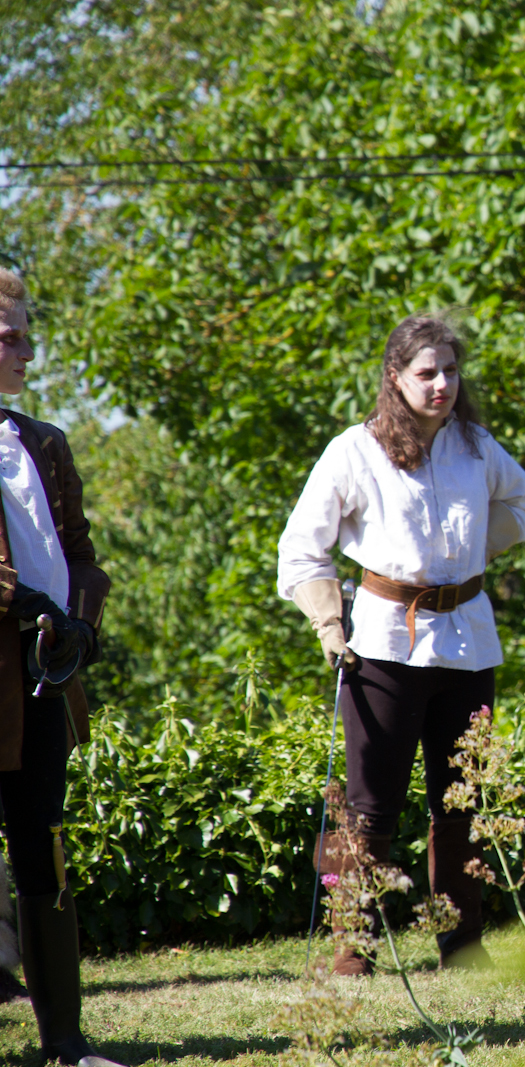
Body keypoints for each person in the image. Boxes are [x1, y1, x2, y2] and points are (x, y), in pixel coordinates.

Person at [277, 315, 525, 974]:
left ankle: (463, 945)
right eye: (427, 372)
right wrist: (328, 622)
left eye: (450, 370)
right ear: (395, 377)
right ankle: (353, 947)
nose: (442, 383)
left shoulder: (477, 446)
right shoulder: (355, 450)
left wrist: (473, 550)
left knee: (462, 800)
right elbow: (301, 546)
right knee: (370, 805)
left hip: (468, 643)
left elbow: (521, 501)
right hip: (383, 644)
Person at [0, 269, 118, 1066]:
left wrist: (77, 618)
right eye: (9, 335)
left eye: (25, 334)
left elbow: (81, 551)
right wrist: (25, 600)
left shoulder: (44, 441)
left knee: (43, 837)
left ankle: (65, 1043)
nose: (25, 350)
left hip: (41, 672)